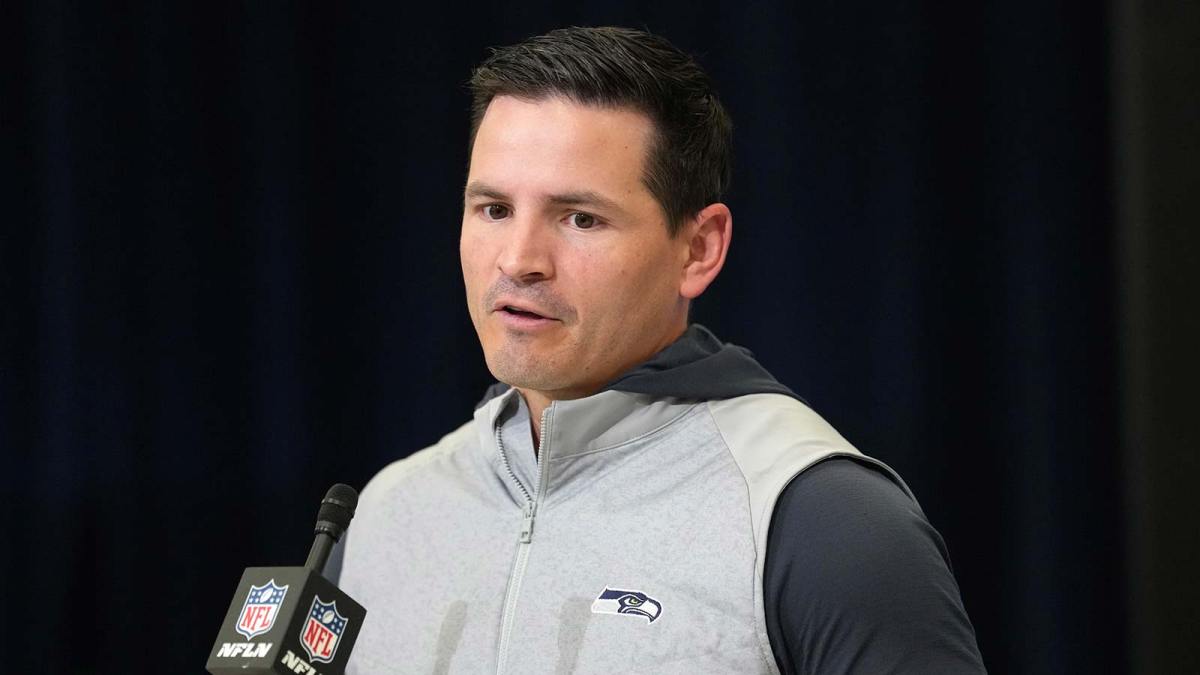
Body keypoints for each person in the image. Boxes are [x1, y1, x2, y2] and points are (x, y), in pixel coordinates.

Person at [338, 26, 986, 674]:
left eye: (580, 218)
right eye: (493, 208)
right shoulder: (385, 515)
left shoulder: (824, 519)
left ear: (699, 248)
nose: (518, 259)